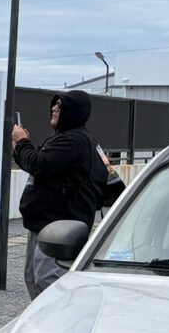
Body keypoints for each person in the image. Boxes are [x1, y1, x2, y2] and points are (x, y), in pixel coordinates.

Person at [12, 90, 106, 298]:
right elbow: (38, 164)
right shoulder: (68, 139)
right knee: (33, 277)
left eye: (61, 106)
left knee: (48, 279)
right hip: (47, 224)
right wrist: (21, 148)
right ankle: (44, 324)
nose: (54, 108)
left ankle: (62, 322)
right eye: (55, 104)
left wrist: (22, 143)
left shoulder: (74, 141)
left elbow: (37, 163)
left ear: (74, 112)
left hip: (59, 230)